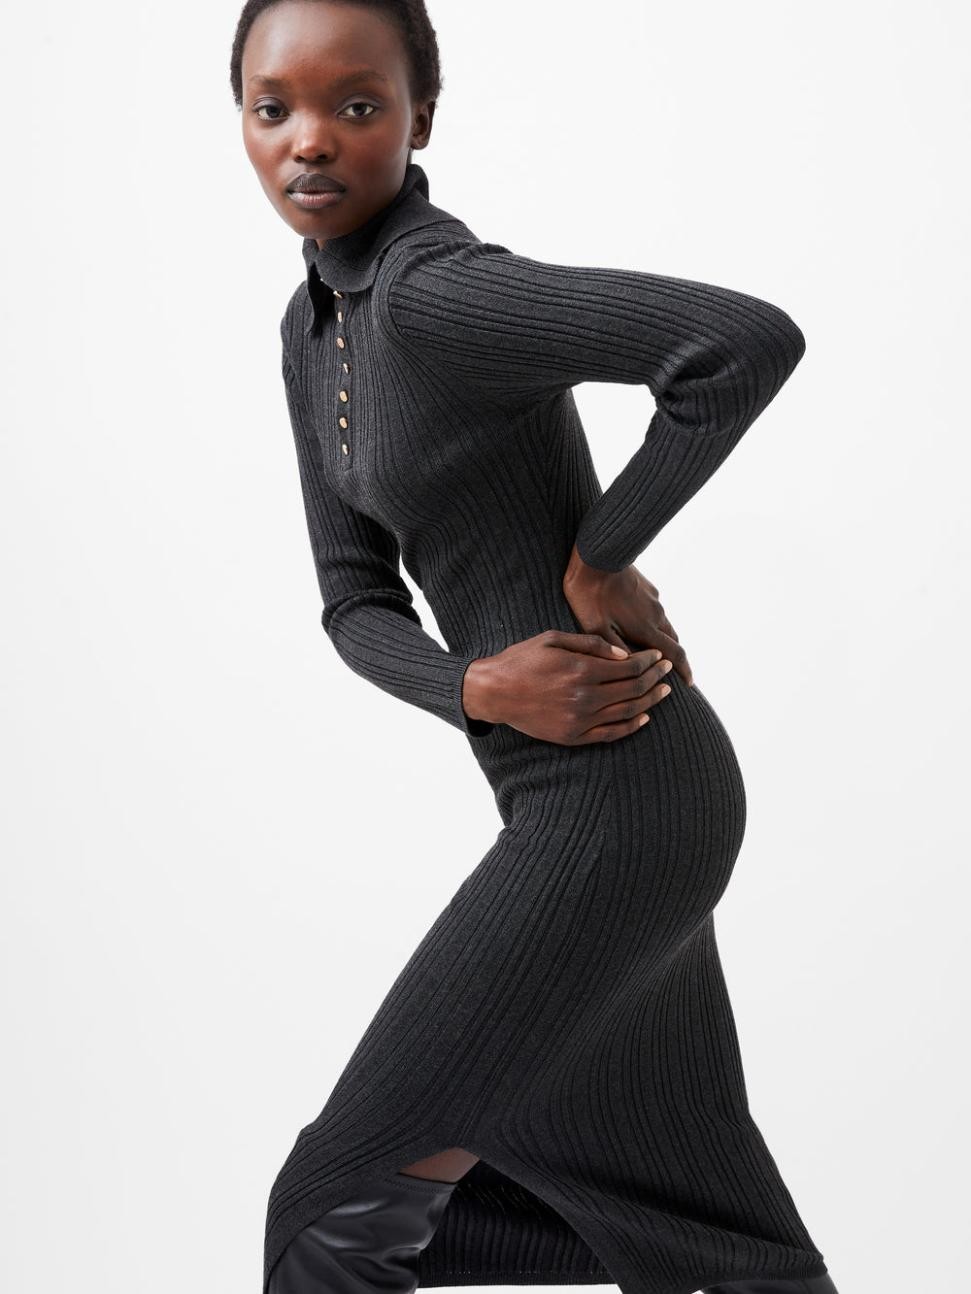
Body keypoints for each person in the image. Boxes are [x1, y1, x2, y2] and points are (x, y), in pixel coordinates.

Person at [232, 2, 839, 1292]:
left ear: (420, 120)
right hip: (582, 806)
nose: (310, 142)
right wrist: (476, 687)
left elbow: (737, 343)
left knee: (333, 1206)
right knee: (693, 1229)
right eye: (273, 108)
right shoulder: (313, 331)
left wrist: (603, 552)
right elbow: (353, 602)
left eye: (357, 105)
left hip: (623, 802)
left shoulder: (437, 294)